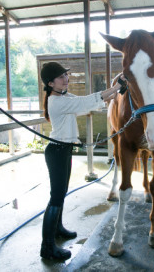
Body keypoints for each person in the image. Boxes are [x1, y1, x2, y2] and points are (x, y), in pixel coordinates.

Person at [39, 61, 125, 260]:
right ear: (51, 83)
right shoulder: (57, 101)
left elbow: (89, 102)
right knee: (56, 197)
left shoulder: (64, 97)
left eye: (66, 75)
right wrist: (117, 86)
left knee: (61, 193)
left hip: (63, 150)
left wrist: (116, 92)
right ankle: (47, 247)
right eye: (61, 77)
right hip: (57, 151)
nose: (66, 79)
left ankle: (58, 229)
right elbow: (85, 102)